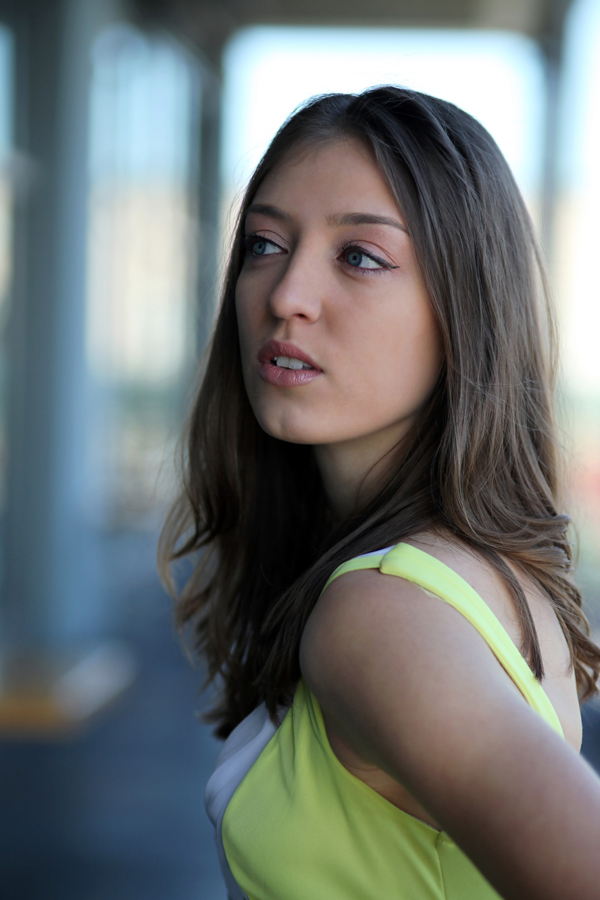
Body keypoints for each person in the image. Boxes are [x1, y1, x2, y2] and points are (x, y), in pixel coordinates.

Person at [160, 87, 600, 899]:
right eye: (263, 244)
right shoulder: (493, 566)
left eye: (360, 256)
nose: (286, 295)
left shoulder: (381, 613)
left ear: (465, 307)